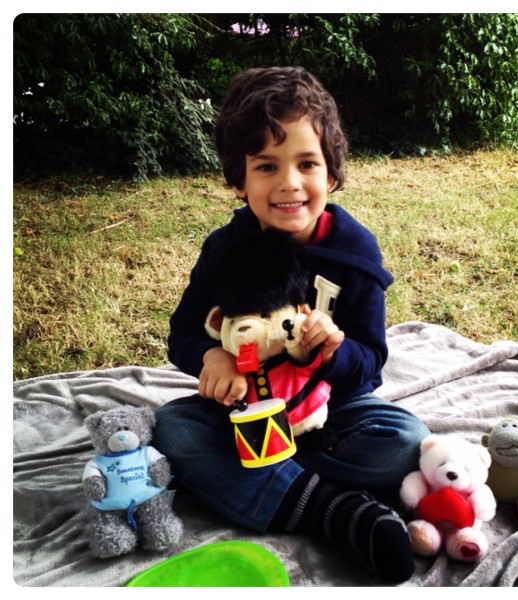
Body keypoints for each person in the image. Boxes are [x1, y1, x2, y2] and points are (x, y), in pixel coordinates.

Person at [153, 66, 430, 584]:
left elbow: (371, 362)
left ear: (331, 174)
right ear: (238, 180)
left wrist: (335, 350)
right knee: (173, 428)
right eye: (265, 166)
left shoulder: (354, 251)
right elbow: (184, 332)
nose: (289, 183)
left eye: (307, 163)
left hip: (331, 409)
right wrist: (210, 356)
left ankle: (269, 486)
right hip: (247, 409)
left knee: (405, 439)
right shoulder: (225, 251)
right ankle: (331, 510)